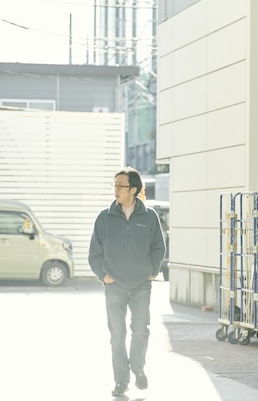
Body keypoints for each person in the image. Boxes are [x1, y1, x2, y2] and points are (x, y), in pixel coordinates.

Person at [88, 167, 166, 397]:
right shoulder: (105, 217)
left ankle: (138, 368)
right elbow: (94, 252)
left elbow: (158, 247)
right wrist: (104, 275)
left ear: (133, 189)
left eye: (120, 185)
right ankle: (121, 381)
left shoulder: (149, 216)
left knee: (140, 331)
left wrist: (152, 271)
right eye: (115, 185)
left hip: (141, 284)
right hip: (114, 286)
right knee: (117, 336)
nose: (116, 189)